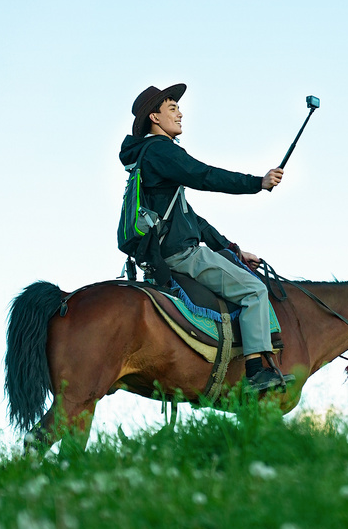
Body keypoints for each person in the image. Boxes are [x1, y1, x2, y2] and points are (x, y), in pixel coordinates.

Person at [119, 83, 293, 394]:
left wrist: (233, 250)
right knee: (254, 290)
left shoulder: (148, 158)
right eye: (172, 108)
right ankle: (255, 373)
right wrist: (258, 183)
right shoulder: (160, 150)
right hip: (181, 254)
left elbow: (192, 219)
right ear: (155, 118)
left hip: (170, 250)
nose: (180, 113)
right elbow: (205, 175)